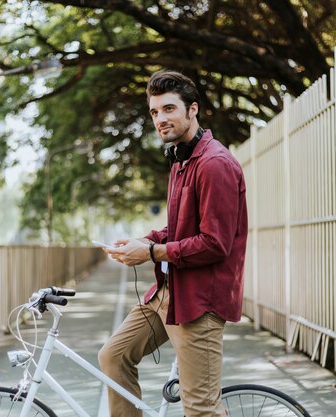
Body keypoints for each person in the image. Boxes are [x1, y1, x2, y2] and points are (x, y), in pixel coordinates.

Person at [99, 69, 248, 417]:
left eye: (169, 109)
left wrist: (149, 252)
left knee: (200, 409)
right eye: (154, 112)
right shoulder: (181, 161)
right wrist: (144, 240)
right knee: (113, 356)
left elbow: (214, 244)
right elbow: (180, 228)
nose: (160, 119)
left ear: (192, 110)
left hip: (201, 303)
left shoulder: (214, 164)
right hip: (170, 293)